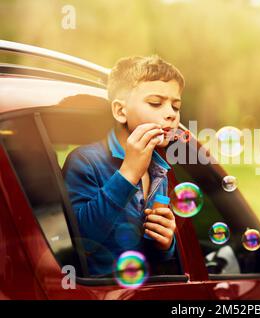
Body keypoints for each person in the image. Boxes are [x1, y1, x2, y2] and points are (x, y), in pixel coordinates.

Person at [62, 55, 184, 275]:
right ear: (120, 111)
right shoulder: (85, 161)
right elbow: (80, 240)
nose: (171, 115)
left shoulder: (159, 171)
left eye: (176, 106)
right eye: (156, 103)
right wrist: (128, 172)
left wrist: (166, 244)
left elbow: (152, 255)